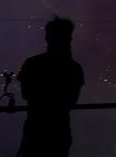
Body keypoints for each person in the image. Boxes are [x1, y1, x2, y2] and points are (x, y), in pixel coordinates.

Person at [17, 17, 85, 157]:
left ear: (48, 38)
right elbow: (72, 100)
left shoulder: (32, 64)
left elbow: (26, 94)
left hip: (34, 130)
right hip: (60, 131)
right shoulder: (74, 68)